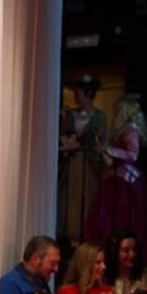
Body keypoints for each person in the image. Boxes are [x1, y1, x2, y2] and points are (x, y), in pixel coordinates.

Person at [85, 94, 147, 266]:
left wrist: (109, 150)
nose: (115, 113)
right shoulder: (123, 130)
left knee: (124, 216)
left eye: (118, 110)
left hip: (126, 182)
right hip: (117, 179)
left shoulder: (130, 130)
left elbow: (133, 155)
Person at [58, 74, 107, 245]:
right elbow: (63, 134)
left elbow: (101, 141)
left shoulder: (100, 117)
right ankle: (71, 236)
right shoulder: (70, 114)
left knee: (88, 198)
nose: (76, 96)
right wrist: (67, 142)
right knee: (70, 198)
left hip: (89, 162)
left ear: (87, 94)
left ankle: (87, 235)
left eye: (78, 92)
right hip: (72, 160)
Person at [0, 235, 66, 294]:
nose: (56, 269)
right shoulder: (8, 285)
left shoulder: (39, 281)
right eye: (52, 263)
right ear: (35, 259)